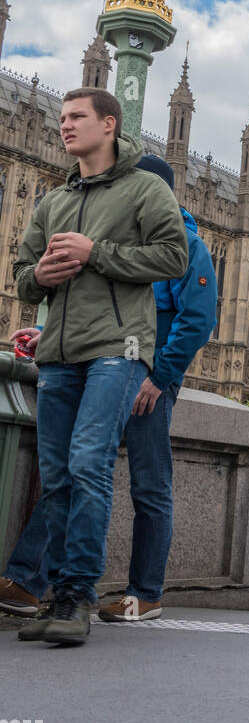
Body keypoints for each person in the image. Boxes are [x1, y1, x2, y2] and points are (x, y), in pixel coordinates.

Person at [1, 153, 217, 626]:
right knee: (74, 471)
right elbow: (96, 306)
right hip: (99, 363)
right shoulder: (108, 237)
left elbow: (198, 319)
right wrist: (51, 335)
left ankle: (145, 593)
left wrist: (158, 378)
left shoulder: (184, 244)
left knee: (149, 484)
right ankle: (30, 581)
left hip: (145, 380)